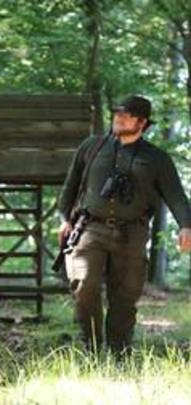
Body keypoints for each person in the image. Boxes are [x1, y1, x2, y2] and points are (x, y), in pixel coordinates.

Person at [58, 95, 191, 355]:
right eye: (117, 113)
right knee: (84, 285)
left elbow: (176, 195)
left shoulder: (157, 158)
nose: (118, 118)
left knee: (124, 298)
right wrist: (64, 219)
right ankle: (91, 349)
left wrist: (186, 225)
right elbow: (70, 186)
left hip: (133, 233)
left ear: (142, 123)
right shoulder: (91, 147)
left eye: (125, 115)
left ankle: (119, 353)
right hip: (90, 229)